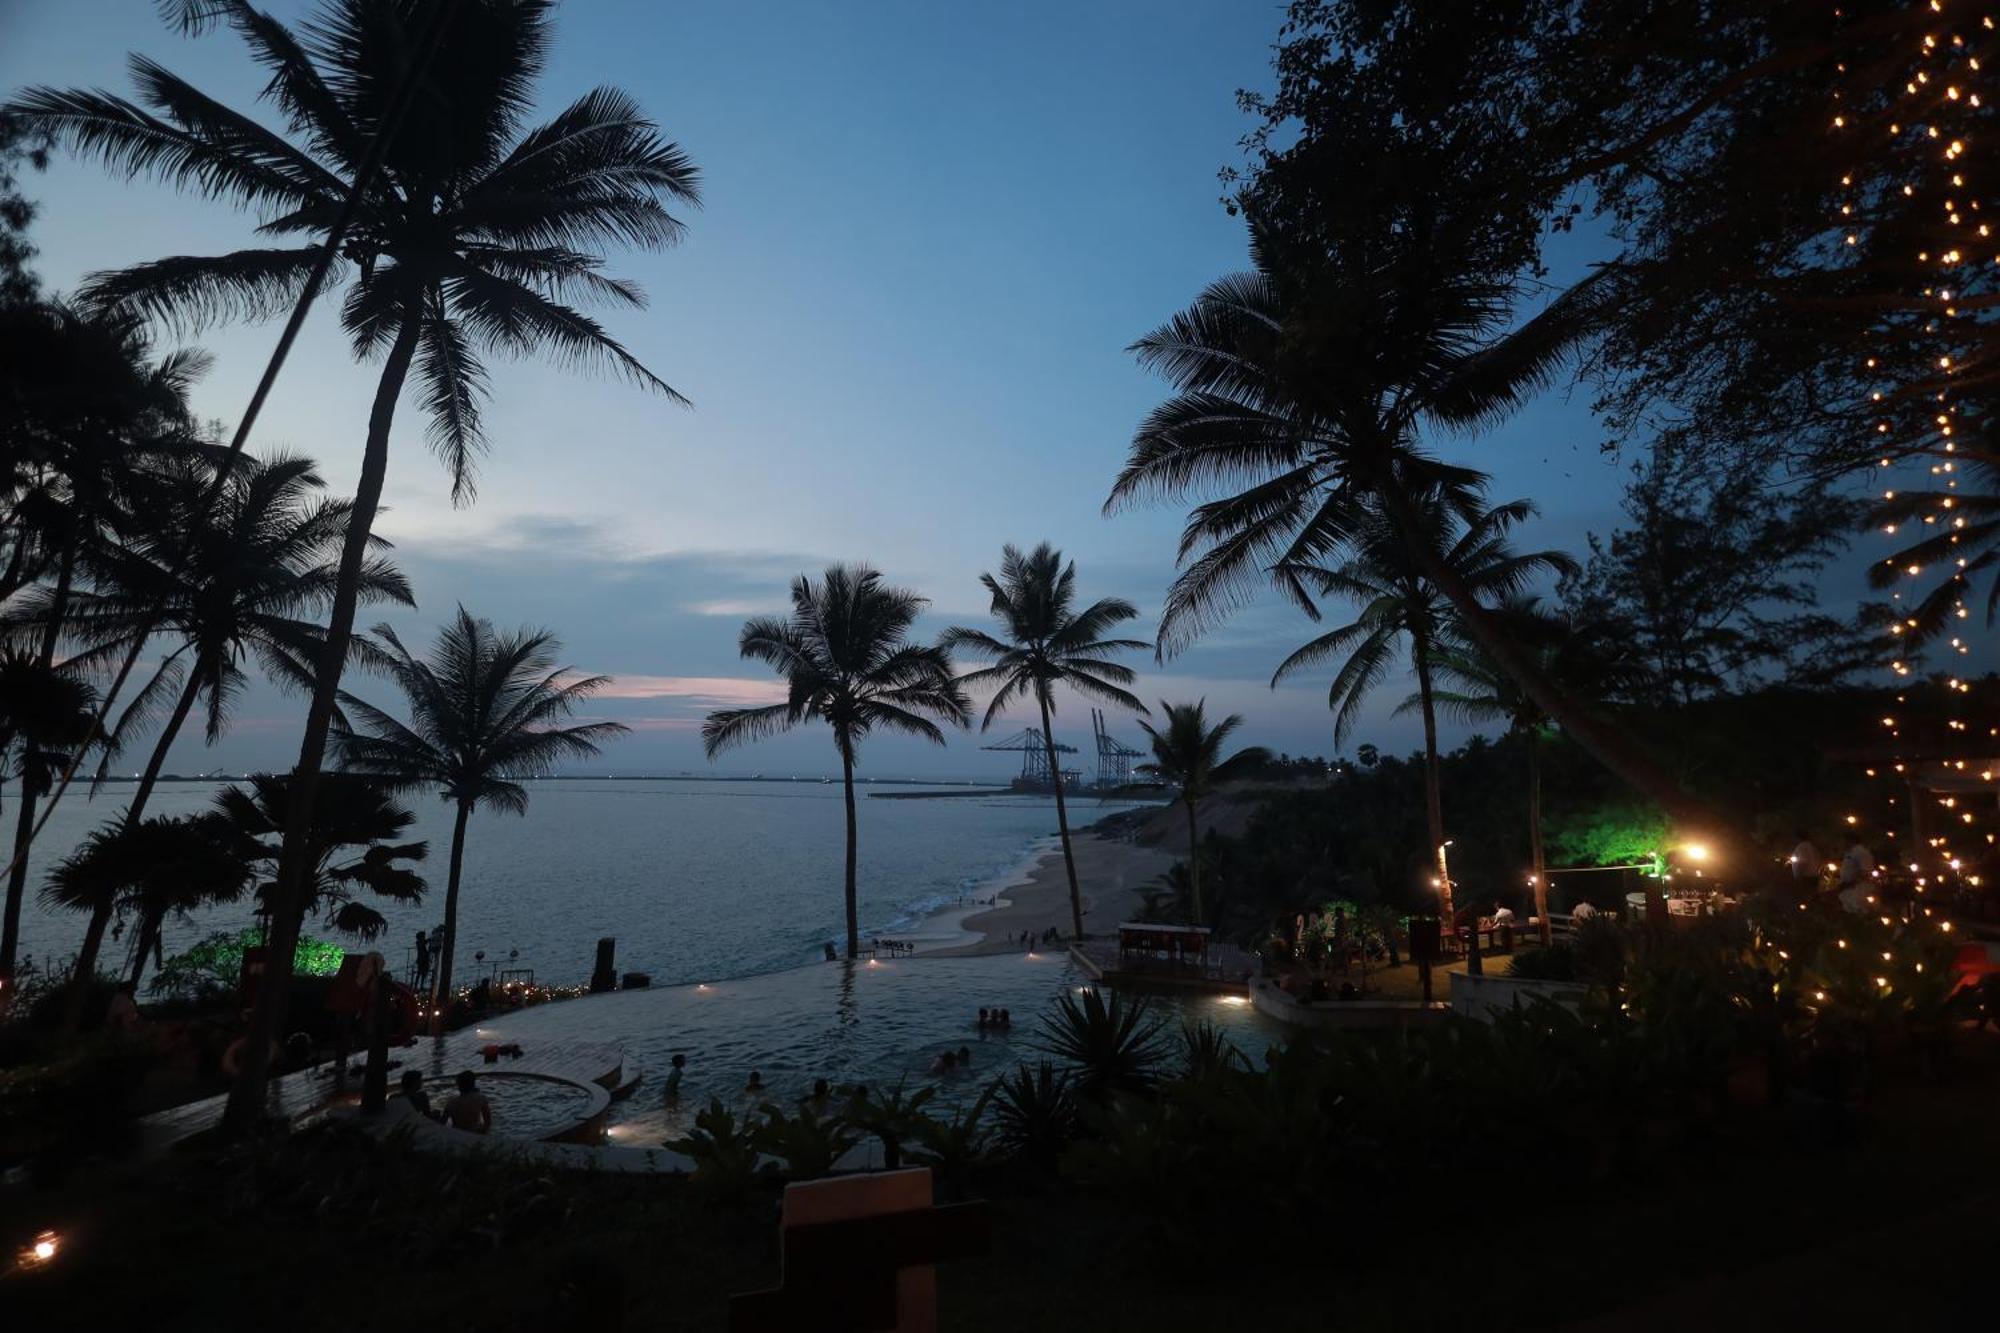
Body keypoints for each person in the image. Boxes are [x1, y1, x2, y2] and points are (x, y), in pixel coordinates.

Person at [442, 1070, 492, 1135]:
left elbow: (442, 1124)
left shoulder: (451, 1103)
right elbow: (488, 1122)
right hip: (475, 1132)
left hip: (457, 1133)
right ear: (473, 1084)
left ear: (459, 1086)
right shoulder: (481, 1099)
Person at [1839, 836, 1877, 913]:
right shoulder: (1849, 853)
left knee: (1859, 909)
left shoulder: (1861, 852)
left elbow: (1866, 871)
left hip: (1859, 888)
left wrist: (1852, 882)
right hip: (1848, 888)